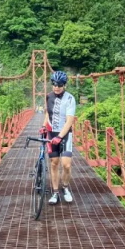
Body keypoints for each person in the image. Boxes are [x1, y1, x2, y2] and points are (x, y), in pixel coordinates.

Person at [44, 70, 76, 204]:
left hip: (65, 134)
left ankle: (66, 188)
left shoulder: (70, 98)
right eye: (54, 84)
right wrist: (44, 126)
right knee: (54, 163)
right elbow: (47, 114)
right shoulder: (48, 96)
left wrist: (60, 136)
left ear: (64, 85)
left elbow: (69, 121)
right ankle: (55, 192)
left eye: (59, 84)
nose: (56, 87)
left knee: (66, 165)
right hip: (52, 133)